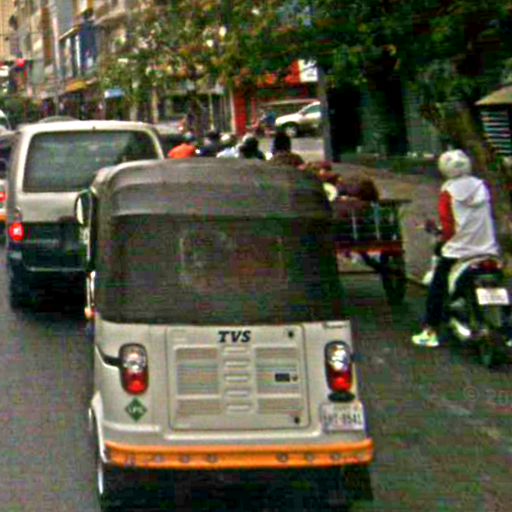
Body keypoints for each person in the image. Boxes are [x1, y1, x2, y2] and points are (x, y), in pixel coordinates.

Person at [412, 149, 500, 348]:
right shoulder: (481, 186)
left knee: (437, 284)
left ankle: (430, 331)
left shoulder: (448, 192)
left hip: (459, 250)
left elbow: (449, 226)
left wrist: (443, 239)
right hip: (487, 249)